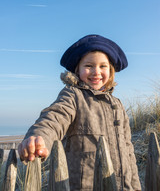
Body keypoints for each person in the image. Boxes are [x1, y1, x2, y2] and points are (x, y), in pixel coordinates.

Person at [18, 34, 141, 191]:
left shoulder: (118, 105)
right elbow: (54, 117)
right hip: (83, 186)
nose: (96, 72)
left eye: (103, 66)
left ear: (110, 70)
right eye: (89, 66)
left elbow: (129, 151)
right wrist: (38, 137)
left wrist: (135, 187)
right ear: (77, 69)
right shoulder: (73, 95)